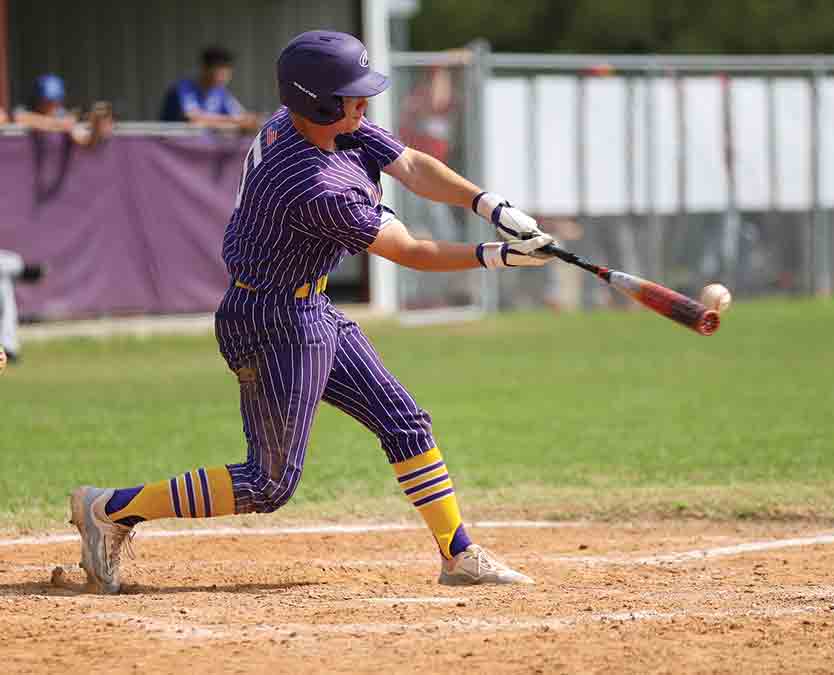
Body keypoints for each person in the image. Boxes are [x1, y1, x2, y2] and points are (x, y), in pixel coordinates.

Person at [70, 30, 555, 594]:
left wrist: (489, 205)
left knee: (405, 422)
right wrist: (496, 256)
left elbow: (412, 165)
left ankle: (458, 554)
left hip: (309, 306)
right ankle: (110, 509)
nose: (365, 103)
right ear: (321, 101)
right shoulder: (313, 185)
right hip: (270, 322)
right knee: (268, 484)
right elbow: (411, 251)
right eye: (354, 95)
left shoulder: (327, 124)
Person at [160, 46, 259, 131]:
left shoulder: (220, 92)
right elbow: (194, 119)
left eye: (227, 70)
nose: (224, 75)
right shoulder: (184, 88)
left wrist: (251, 120)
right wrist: (235, 121)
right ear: (205, 69)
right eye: (219, 69)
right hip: (172, 148)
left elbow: (241, 116)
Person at [13, 74, 112, 147]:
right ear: (37, 100)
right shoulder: (24, 110)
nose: (53, 105)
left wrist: (96, 126)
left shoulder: (63, 115)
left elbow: (83, 139)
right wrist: (56, 124)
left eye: (56, 100)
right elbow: (19, 117)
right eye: (47, 101)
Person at [0, 251, 45, 364]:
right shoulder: (8, 260)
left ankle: (7, 351)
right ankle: (7, 350)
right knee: (6, 316)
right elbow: (24, 270)